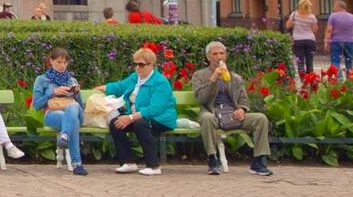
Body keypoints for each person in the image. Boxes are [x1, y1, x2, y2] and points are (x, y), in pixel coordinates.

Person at [191, 41, 274, 176]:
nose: (219, 57)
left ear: (226, 56)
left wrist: (242, 109)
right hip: (212, 112)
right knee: (207, 118)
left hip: (232, 113)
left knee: (260, 118)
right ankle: (213, 159)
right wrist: (213, 78)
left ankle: (258, 162)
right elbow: (201, 98)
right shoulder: (199, 75)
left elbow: (244, 99)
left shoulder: (235, 77)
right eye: (215, 54)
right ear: (208, 57)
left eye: (222, 53)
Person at [96, 47, 176, 176]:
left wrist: (131, 118)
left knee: (140, 124)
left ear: (152, 65)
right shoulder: (135, 78)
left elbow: (155, 109)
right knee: (116, 122)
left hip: (161, 119)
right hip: (140, 116)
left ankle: (153, 166)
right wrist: (98, 89)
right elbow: (118, 87)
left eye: (141, 64)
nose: (137, 68)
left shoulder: (160, 82)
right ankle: (128, 163)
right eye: (135, 64)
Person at [31, 47, 87, 175]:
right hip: (52, 114)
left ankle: (64, 136)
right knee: (73, 122)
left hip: (74, 111)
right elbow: (36, 105)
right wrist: (52, 92)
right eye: (59, 62)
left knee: (72, 107)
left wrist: (77, 93)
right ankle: (77, 164)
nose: (62, 66)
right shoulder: (42, 79)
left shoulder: (72, 81)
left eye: (65, 62)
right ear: (51, 61)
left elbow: (80, 107)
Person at [322, 0, 353, 78]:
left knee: (336, 61)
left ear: (339, 7)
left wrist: (326, 42)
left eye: (334, 6)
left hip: (336, 42)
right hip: (350, 41)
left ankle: (339, 80)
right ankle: (350, 81)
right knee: (350, 62)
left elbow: (329, 30)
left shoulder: (333, 16)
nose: (333, 8)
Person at [286, 0, 319, 74]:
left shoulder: (294, 14)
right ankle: (310, 79)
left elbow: (288, 26)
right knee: (310, 62)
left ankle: (303, 81)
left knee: (300, 61)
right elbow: (315, 30)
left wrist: (294, 23)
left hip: (298, 41)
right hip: (310, 41)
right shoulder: (312, 16)